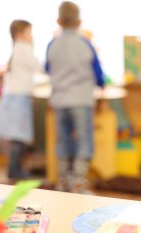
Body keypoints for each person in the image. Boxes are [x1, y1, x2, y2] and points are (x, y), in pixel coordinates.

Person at [45, 1, 105, 193]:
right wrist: (100, 85)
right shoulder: (85, 44)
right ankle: (79, 181)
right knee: (84, 141)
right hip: (81, 101)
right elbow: (99, 76)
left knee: (63, 140)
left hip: (60, 101)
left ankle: (63, 180)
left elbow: (47, 69)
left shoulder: (52, 45)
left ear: (58, 21)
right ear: (79, 22)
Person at [0, 20, 45, 179]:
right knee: (18, 138)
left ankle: (15, 170)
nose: (32, 37)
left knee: (18, 137)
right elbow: (40, 68)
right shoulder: (23, 50)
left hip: (15, 97)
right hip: (17, 99)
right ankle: (15, 172)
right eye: (29, 33)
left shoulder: (17, 50)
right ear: (19, 35)